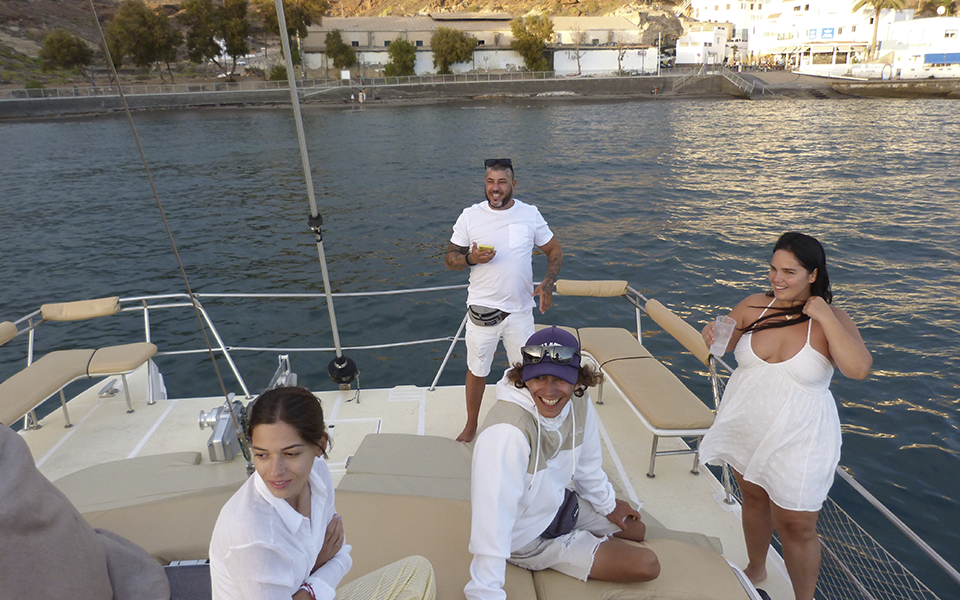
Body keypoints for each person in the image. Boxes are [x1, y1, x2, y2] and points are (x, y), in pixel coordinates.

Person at [698, 232, 872, 600]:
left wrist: (824, 313)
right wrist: (711, 332)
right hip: (748, 422)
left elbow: (858, 369)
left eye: (789, 272)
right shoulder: (753, 306)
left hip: (801, 436)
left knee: (797, 524)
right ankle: (757, 567)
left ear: (813, 274)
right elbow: (719, 346)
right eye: (773, 269)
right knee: (754, 497)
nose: (777, 279)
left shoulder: (833, 319)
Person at [465, 326, 660, 600]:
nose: (549, 390)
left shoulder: (578, 401)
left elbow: (587, 465)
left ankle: (585, 534)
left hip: (558, 506)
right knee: (646, 565)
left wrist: (607, 505)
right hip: (524, 536)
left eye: (561, 379)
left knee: (637, 530)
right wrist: (485, 592)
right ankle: (560, 550)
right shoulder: (507, 432)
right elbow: (493, 517)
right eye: (539, 378)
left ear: (578, 381)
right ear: (523, 378)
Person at [209, 386, 436, 600]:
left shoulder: (318, 474)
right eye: (262, 455)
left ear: (320, 445)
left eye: (290, 454)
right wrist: (317, 569)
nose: (275, 471)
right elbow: (332, 559)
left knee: (417, 570)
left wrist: (310, 581)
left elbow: (341, 555)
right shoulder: (250, 535)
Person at [445, 158, 563, 443]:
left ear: (513, 184)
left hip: (521, 311)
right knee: (477, 369)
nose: (494, 188)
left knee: (526, 372)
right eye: (490, 182)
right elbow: (450, 259)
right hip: (482, 311)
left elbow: (554, 251)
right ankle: (472, 424)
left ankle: (524, 424)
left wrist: (547, 283)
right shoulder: (470, 216)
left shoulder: (529, 214)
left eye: (501, 182)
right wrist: (471, 258)